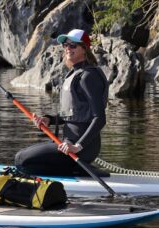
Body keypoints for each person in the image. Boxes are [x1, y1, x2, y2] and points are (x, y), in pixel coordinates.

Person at [15, 29, 109, 176]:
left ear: (84, 49)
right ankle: (75, 170)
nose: (67, 48)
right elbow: (71, 115)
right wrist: (49, 119)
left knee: (22, 160)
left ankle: (78, 169)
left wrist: (78, 146)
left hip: (82, 148)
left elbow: (100, 118)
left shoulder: (88, 76)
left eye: (73, 45)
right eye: (65, 45)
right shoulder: (74, 74)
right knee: (21, 159)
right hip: (67, 144)